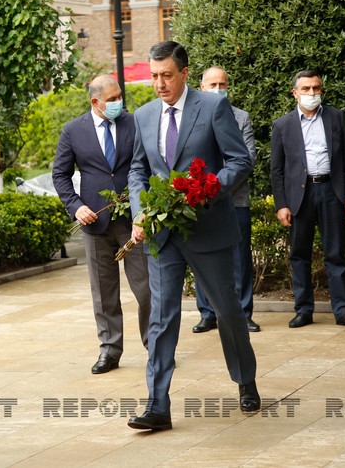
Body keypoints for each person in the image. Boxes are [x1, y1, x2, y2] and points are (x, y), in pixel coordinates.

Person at [127, 41, 259, 432]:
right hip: (162, 234)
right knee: (161, 319)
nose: (159, 83)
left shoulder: (214, 107)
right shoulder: (144, 115)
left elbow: (241, 160)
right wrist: (140, 211)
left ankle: (245, 380)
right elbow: (137, 171)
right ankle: (157, 404)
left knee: (228, 311)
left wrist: (210, 187)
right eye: (153, 76)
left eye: (166, 75)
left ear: (184, 73)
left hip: (210, 229)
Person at [52, 75, 151, 375]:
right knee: (104, 292)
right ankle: (110, 349)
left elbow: (146, 166)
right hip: (95, 223)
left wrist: (144, 208)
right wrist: (76, 206)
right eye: (112, 99)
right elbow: (60, 175)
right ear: (95, 102)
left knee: (147, 288)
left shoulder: (133, 124)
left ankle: (156, 345)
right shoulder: (73, 131)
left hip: (132, 222)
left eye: (119, 96)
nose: (118, 102)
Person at [270, 70, 345, 329]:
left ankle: (342, 310)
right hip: (300, 196)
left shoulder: (335, 117)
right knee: (299, 254)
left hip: (330, 191)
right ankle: (303, 310)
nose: (312, 94)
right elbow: (277, 169)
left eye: (316, 88)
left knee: (335, 253)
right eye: (306, 89)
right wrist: (281, 204)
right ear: (295, 93)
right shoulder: (282, 125)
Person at [192, 66, 260, 334]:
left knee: (240, 259)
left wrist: (216, 187)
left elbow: (248, 159)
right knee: (202, 256)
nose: (218, 89)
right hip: (201, 202)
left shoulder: (241, 117)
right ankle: (207, 313)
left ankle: (244, 313)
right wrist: (204, 193)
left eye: (223, 84)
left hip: (235, 200)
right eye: (213, 85)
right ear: (201, 86)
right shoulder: (193, 117)